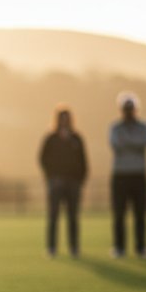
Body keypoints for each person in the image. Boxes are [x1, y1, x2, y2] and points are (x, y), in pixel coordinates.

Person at [38, 106, 88, 258]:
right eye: (62, 118)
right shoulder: (51, 138)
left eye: (66, 118)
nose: (64, 121)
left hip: (73, 182)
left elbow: (83, 161)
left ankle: (74, 248)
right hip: (56, 182)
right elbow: (42, 158)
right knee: (53, 216)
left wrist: (80, 179)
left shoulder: (76, 138)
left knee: (73, 216)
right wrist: (51, 177)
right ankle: (52, 248)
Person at [109, 92, 146, 258]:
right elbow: (115, 145)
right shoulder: (115, 127)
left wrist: (128, 142)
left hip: (138, 174)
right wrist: (134, 143)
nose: (128, 112)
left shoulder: (144, 127)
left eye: (131, 109)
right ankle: (119, 247)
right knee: (119, 213)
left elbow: (145, 143)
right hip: (120, 175)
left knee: (140, 213)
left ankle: (141, 247)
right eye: (125, 109)